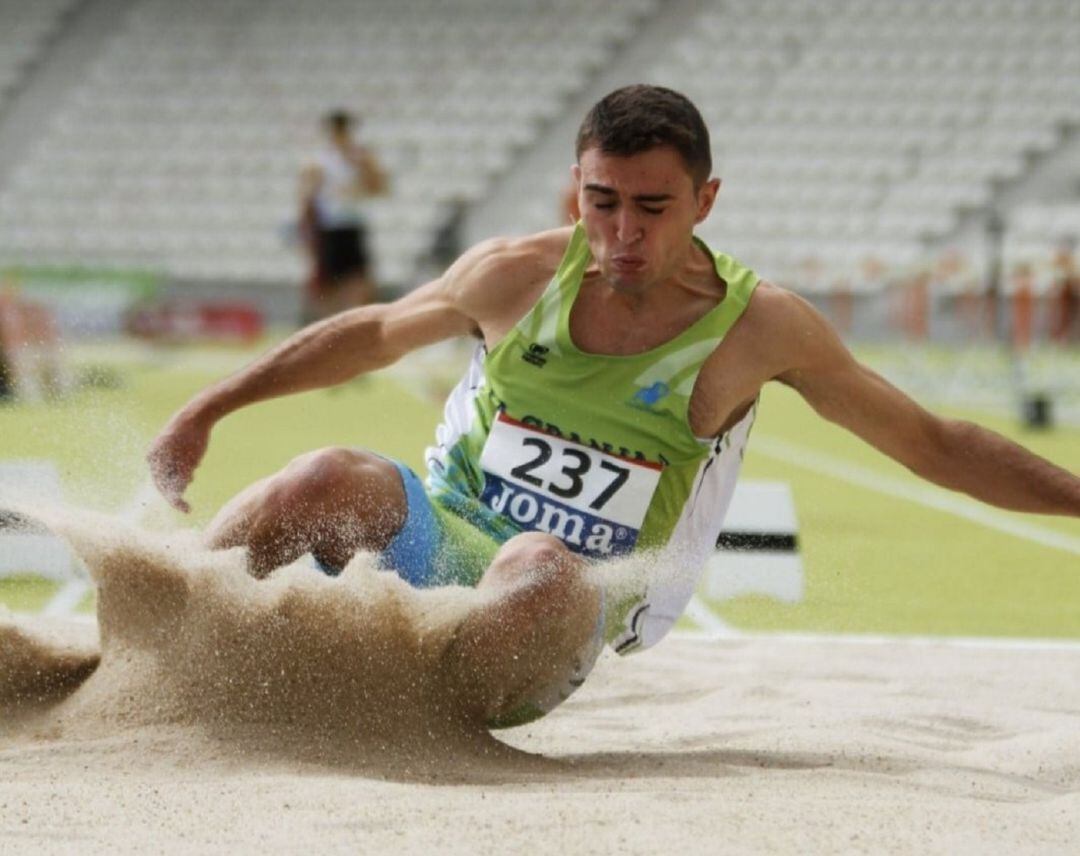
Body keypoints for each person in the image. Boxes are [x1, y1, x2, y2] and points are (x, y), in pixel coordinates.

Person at [149, 85, 1080, 727]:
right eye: (601, 203)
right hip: (447, 535)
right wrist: (208, 409)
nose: (623, 233)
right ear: (576, 190)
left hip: (573, 596)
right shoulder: (516, 273)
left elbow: (932, 443)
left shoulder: (762, 328)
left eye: (653, 208)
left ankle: (399, 716)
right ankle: (147, 654)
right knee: (319, 477)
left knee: (536, 562)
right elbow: (375, 332)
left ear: (705, 201)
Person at [298, 110, 389, 325]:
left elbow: (379, 188)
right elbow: (307, 199)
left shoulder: (360, 158)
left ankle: (356, 324)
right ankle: (328, 326)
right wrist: (307, 233)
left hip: (353, 225)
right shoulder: (318, 163)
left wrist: (364, 167)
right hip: (330, 227)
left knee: (359, 282)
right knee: (328, 285)